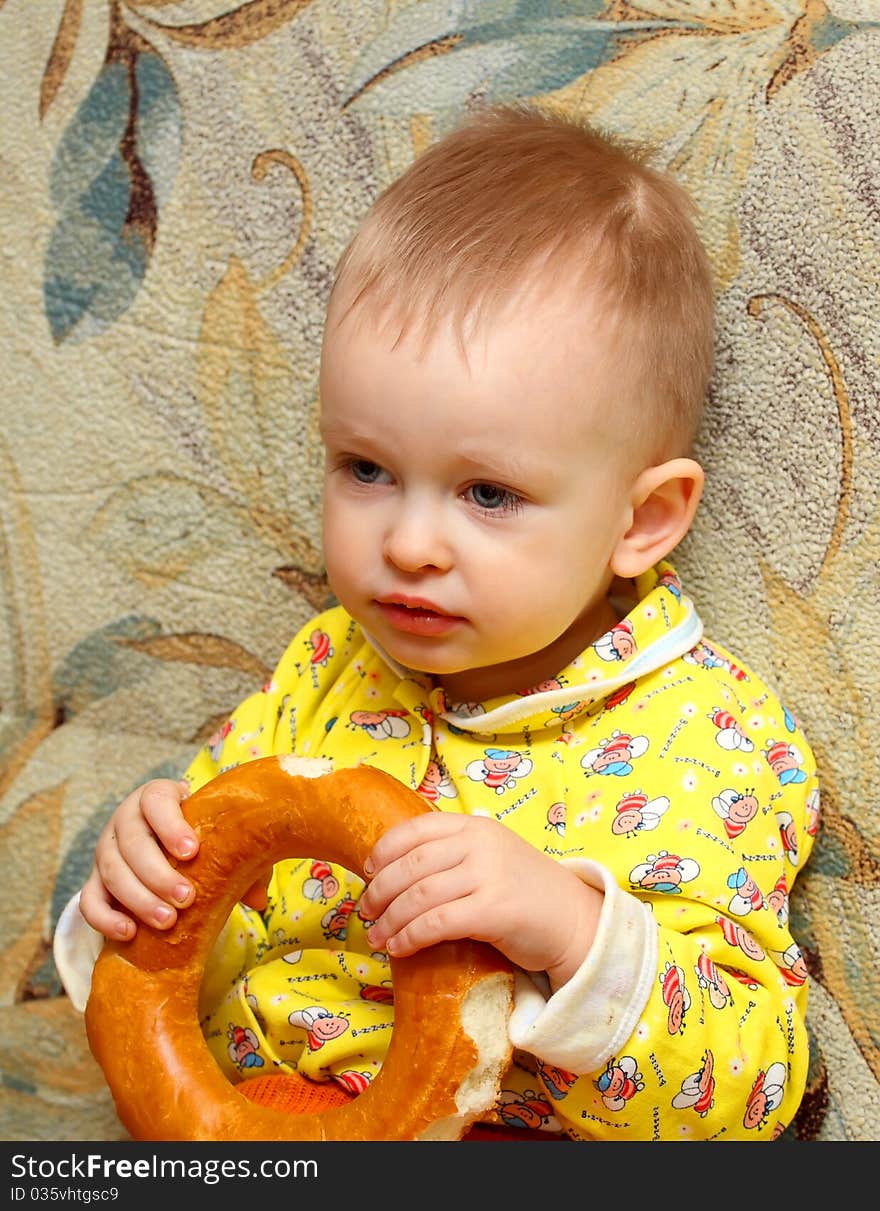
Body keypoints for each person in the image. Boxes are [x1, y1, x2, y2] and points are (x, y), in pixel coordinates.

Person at [54, 103, 820, 1141]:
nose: (410, 541)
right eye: (366, 468)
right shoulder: (324, 667)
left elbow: (751, 1087)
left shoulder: (711, 733)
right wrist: (134, 889)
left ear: (639, 519)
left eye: (488, 493)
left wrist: (567, 927)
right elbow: (191, 965)